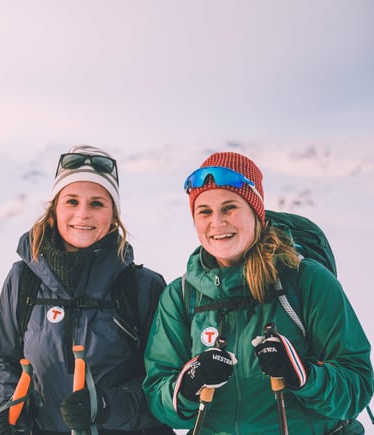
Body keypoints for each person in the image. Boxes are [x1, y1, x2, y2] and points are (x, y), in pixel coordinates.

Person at [142, 151, 374, 433]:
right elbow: (158, 397)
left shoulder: (307, 280)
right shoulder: (180, 296)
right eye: (204, 211)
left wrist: (304, 376)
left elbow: (357, 386)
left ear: (256, 213)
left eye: (229, 208)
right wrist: (188, 383)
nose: (217, 222)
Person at [0, 145, 174, 435]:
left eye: (97, 203)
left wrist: (105, 407)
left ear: (113, 216)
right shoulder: (22, 280)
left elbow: (161, 385)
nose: (83, 214)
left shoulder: (142, 287)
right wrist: (10, 411)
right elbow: (6, 360)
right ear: (54, 211)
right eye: (71, 201)